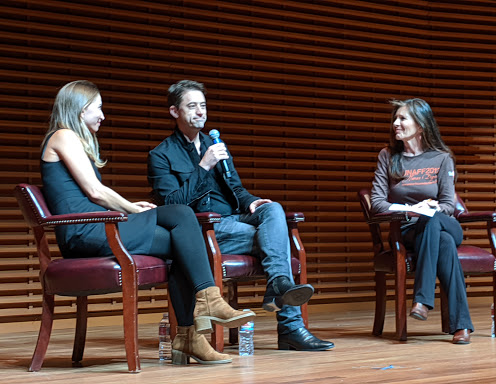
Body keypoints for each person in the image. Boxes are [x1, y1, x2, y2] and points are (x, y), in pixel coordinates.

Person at [40, 80, 256, 365]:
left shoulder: (73, 139)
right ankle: (208, 301)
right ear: (80, 110)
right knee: (180, 214)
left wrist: (131, 209)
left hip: (97, 227)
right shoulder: (63, 135)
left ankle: (189, 337)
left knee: (184, 240)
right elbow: (95, 192)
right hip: (85, 231)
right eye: (99, 108)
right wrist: (131, 209)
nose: (103, 115)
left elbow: (95, 193)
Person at [147, 80, 334, 351]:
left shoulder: (216, 144)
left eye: (203, 106)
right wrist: (203, 166)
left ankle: (278, 286)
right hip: (202, 230)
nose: (200, 112)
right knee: (276, 242)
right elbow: (171, 205)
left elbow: (234, 188)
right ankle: (290, 326)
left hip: (235, 220)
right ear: (175, 112)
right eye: (192, 106)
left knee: (274, 210)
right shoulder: (161, 155)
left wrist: (252, 202)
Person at [370, 98, 473, 344]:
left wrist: (432, 208)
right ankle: (462, 326)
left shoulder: (441, 157)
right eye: (395, 118)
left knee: (435, 220)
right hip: (406, 229)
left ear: (421, 125)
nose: (396, 123)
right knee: (445, 243)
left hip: (442, 221)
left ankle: (423, 299)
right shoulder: (388, 156)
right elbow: (377, 202)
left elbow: (449, 205)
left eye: (403, 118)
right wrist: (411, 209)